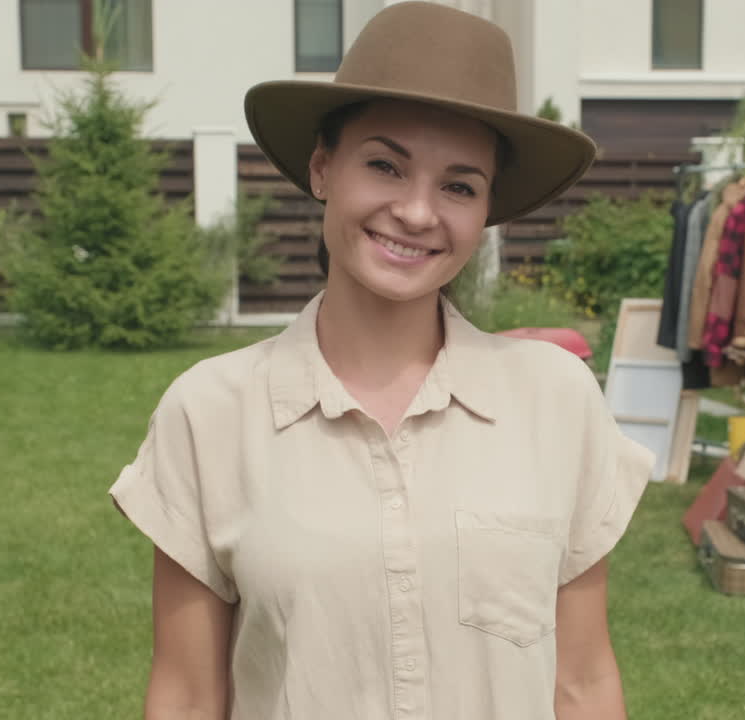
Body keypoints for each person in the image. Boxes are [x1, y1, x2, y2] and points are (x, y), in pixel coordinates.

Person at [107, 4, 653, 719]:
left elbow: (582, 681)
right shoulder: (209, 412)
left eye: (458, 185)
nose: (418, 212)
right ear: (323, 167)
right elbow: (186, 694)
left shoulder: (558, 401)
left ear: (485, 210)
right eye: (385, 166)